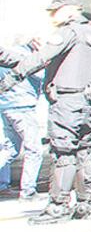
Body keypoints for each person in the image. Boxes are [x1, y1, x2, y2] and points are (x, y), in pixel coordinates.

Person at [0, 0, 91, 224]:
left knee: (63, 152)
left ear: (70, 9)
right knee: (86, 151)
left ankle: (58, 206)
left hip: (66, 102)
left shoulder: (67, 32)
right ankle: (85, 204)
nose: (52, 16)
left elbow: (40, 59)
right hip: (88, 103)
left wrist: (9, 81)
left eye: (55, 11)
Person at [0, 39, 44, 200]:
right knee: (34, 150)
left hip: (5, 106)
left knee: (10, 149)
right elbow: (41, 76)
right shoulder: (26, 56)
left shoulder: (6, 54)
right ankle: (28, 191)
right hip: (23, 106)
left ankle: (1, 185)